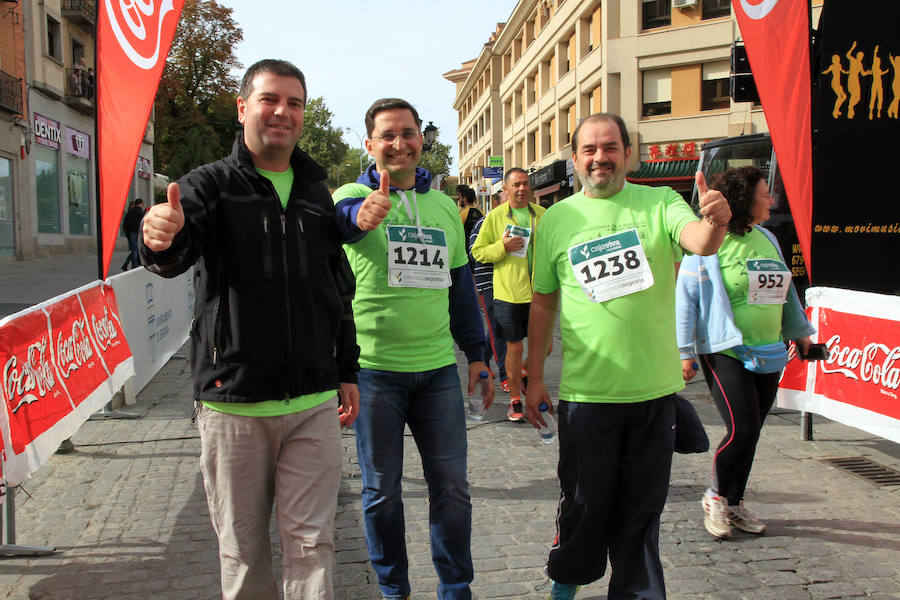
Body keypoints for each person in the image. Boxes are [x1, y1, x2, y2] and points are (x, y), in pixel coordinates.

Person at [140, 59, 360, 600]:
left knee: (314, 546)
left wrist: (346, 368)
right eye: (269, 99)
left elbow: (337, 288)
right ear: (243, 108)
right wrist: (157, 237)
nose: (282, 112)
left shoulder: (315, 192)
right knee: (243, 553)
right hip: (234, 404)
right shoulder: (208, 185)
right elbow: (173, 250)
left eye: (294, 102)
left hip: (312, 402)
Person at [525, 113, 732, 600]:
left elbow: (699, 242)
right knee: (584, 506)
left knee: (641, 513)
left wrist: (714, 221)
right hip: (587, 397)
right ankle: (567, 581)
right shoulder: (556, 219)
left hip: (653, 395)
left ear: (627, 153)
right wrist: (533, 377)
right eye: (590, 150)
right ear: (574, 159)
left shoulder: (659, 201)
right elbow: (542, 301)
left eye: (610, 147)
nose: (601, 157)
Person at [333, 97, 493, 600]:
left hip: (437, 373)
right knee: (382, 494)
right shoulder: (351, 194)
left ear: (421, 138)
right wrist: (363, 214)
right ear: (369, 144)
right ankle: (392, 590)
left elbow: (461, 289)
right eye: (387, 135)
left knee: (452, 491)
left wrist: (478, 356)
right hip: (374, 372)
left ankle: (455, 588)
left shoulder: (445, 205)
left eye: (407, 133)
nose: (398, 143)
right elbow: (338, 220)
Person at [676, 166, 814, 540]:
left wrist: (800, 334)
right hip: (725, 349)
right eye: (765, 193)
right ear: (744, 200)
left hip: (769, 350)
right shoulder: (708, 242)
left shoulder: (767, 237)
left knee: (753, 433)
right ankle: (715, 497)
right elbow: (685, 299)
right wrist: (684, 352)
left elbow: (784, 290)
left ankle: (734, 503)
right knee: (743, 428)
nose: (772, 199)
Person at [471, 168, 545, 422]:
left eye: (525, 184)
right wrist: (501, 246)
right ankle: (515, 400)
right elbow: (478, 253)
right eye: (516, 184)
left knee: (544, 347)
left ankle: (522, 371)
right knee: (513, 348)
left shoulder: (542, 215)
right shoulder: (495, 217)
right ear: (506, 189)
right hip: (508, 294)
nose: (522, 188)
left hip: (539, 294)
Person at [468, 214, 507, 391]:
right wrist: (502, 247)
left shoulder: (515, 222)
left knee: (497, 327)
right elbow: (474, 253)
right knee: (497, 328)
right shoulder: (483, 224)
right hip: (489, 282)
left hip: (510, 282)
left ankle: (484, 358)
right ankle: (505, 374)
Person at [121, 198, 144, 271]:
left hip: (131, 233)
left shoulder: (130, 212)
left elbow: (126, 223)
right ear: (141, 204)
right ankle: (134, 265)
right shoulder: (140, 212)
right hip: (137, 233)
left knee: (134, 250)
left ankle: (126, 264)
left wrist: (127, 232)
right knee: (136, 250)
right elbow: (142, 223)